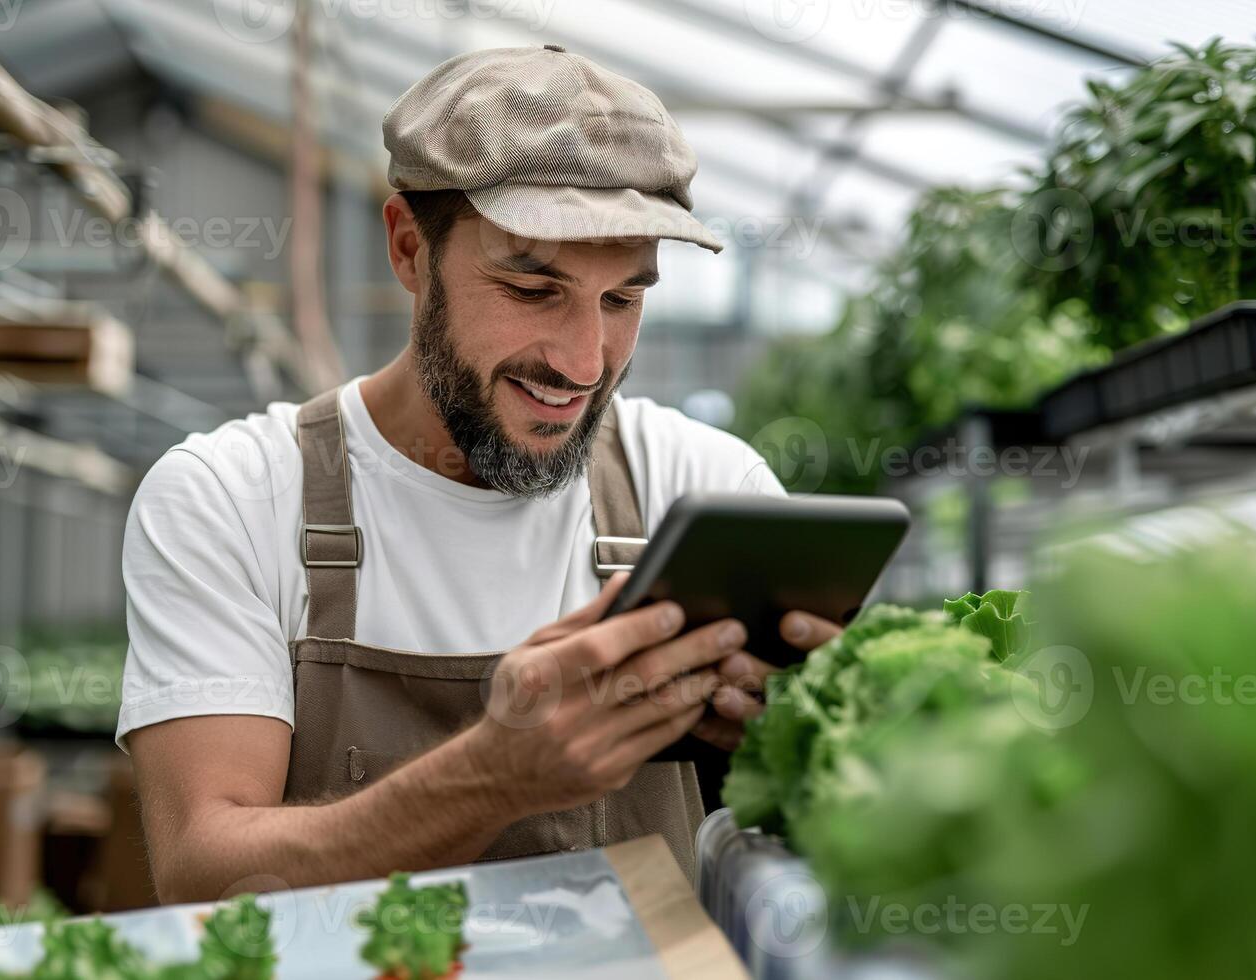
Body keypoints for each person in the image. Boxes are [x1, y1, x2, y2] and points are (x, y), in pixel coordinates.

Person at [118, 44, 840, 904]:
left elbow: (809, 839)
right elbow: (203, 871)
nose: (584, 361)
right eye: (534, 289)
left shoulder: (702, 488)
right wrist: (495, 774)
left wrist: (815, 749)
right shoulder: (231, 498)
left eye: (622, 300)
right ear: (409, 250)